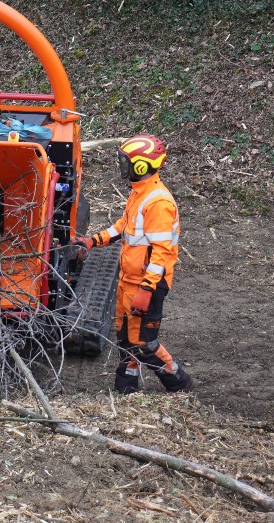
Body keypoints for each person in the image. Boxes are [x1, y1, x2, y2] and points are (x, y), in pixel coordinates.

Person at [72, 134, 193, 394]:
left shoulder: (158, 203)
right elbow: (123, 228)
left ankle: (178, 381)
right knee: (125, 338)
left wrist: (147, 289)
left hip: (146, 284)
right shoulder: (140, 194)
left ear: (141, 166)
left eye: (126, 162)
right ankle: (126, 386)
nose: (121, 167)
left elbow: (162, 252)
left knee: (144, 344)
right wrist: (92, 241)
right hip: (129, 279)